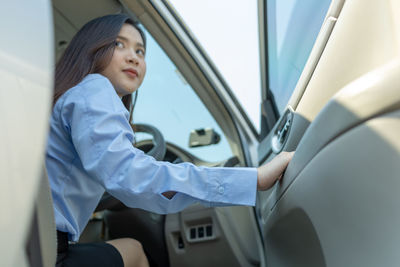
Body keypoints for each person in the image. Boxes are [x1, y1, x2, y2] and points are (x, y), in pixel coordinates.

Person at [46, 14, 294, 267]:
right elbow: (129, 174)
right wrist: (254, 179)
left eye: (140, 51)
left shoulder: (72, 96)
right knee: (135, 251)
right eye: (119, 44)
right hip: (50, 255)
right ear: (91, 49)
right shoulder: (94, 89)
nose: (133, 57)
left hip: (39, 247)